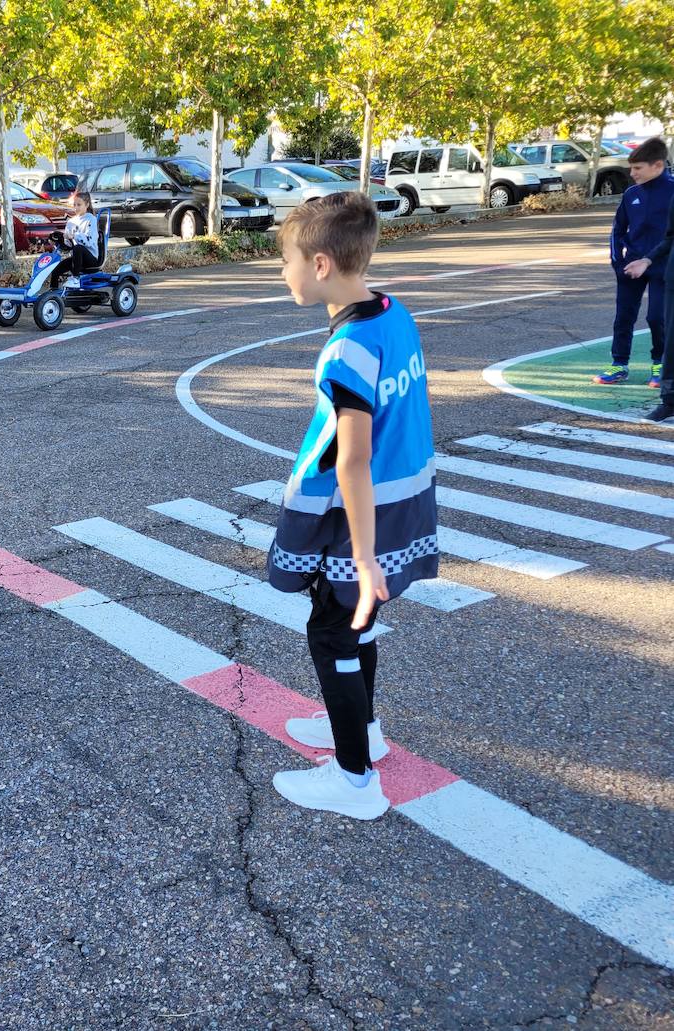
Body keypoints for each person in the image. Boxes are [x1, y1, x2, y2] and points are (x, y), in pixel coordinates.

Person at [265, 192, 439, 821]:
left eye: (284, 260)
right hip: (403, 505)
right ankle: (364, 730)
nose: (281, 272)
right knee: (351, 626)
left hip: (361, 517)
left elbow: (353, 456)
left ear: (318, 265)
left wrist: (364, 559)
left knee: (333, 630)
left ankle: (354, 779)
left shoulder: (347, 351)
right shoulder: (392, 313)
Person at [596, 137, 672, 388]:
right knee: (624, 316)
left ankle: (660, 363)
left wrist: (652, 260)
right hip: (631, 265)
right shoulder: (631, 194)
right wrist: (618, 264)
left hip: (663, 265)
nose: (632, 173)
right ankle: (619, 365)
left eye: (638, 168)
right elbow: (617, 230)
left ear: (657, 166)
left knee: (657, 317)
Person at [51, 191, 99, 290]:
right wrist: (59, 240)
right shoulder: (71, 222)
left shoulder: (91, 219)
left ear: (87, 205)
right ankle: (53, 294)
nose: (76, 207)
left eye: (79, 205)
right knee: (55, 270)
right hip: (76, 258)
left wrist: (73, 236)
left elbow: (89, 241)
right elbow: (68, 247)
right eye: (74, 205)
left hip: (91, 258)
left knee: (78, 248)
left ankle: (76, 278)